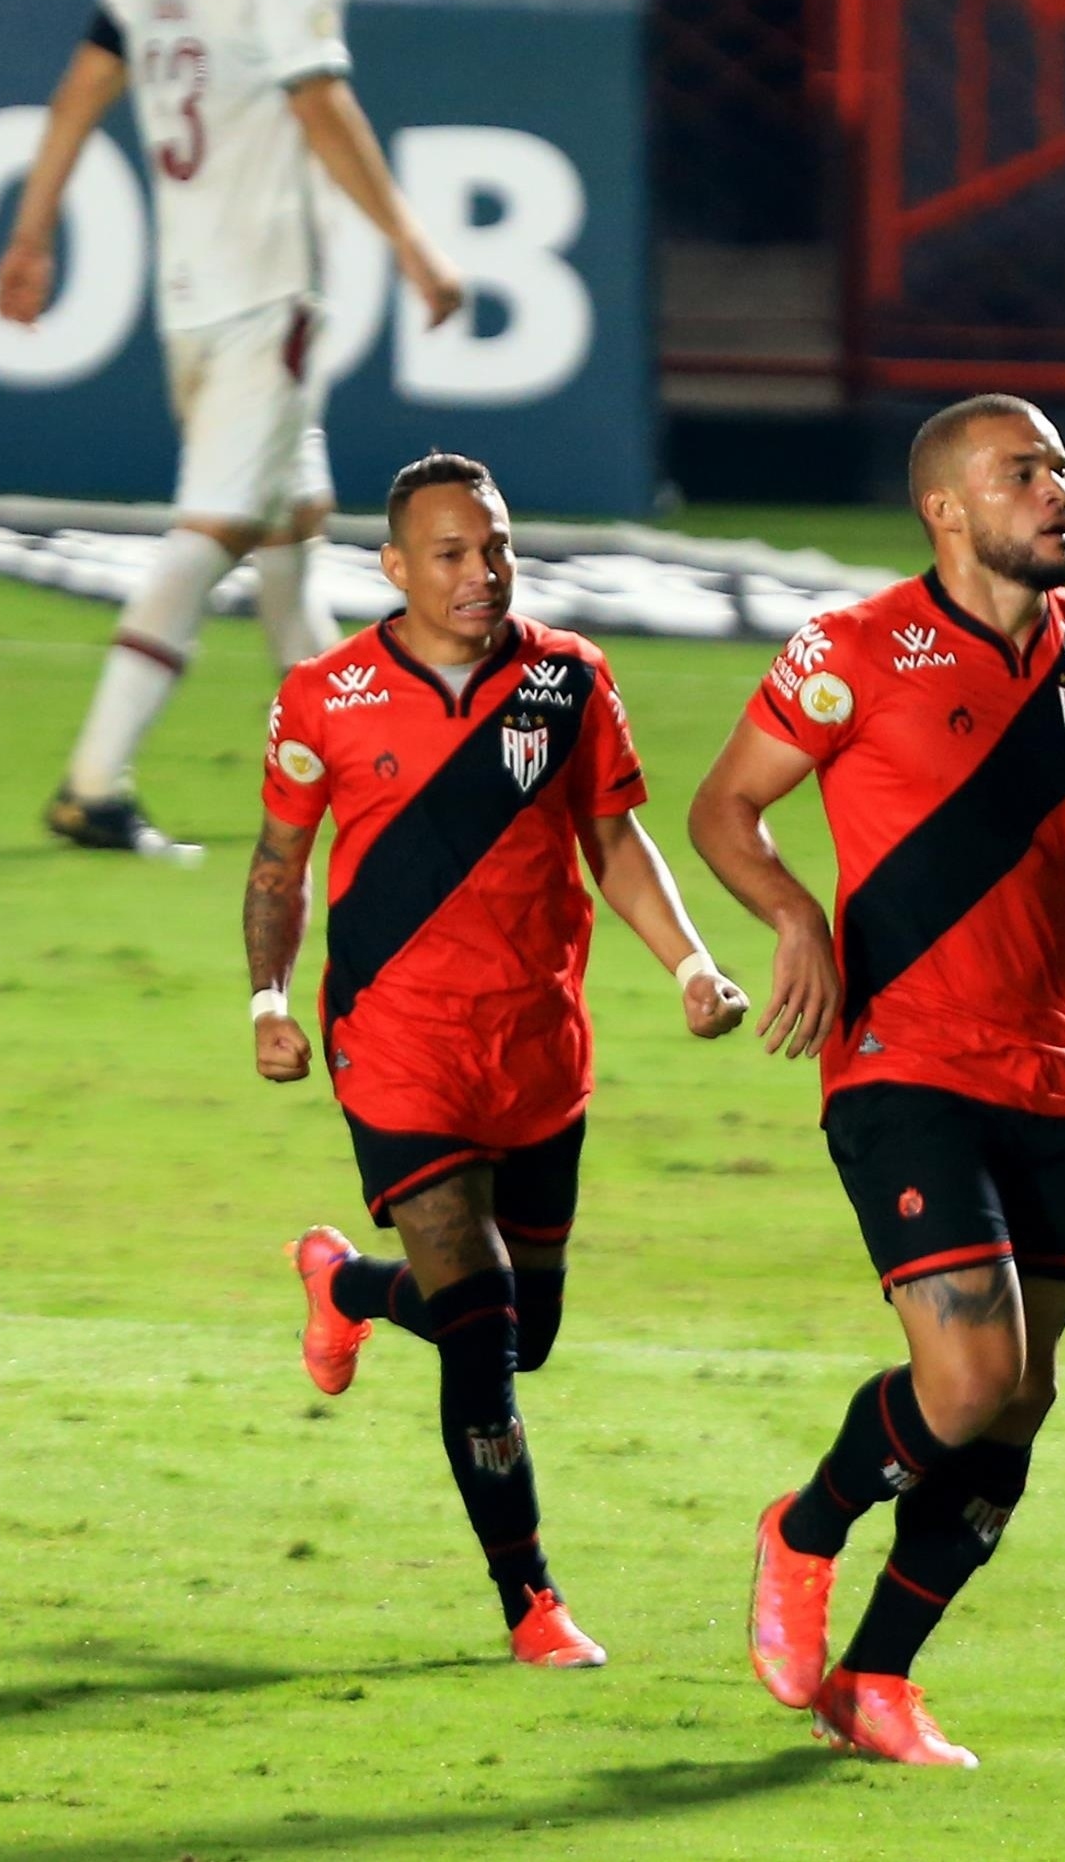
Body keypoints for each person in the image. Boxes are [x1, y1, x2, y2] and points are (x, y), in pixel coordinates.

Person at [688, 394, 1065, 1767]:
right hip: (900, 1056)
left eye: (1062, 468)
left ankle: (877, 1679)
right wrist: (793, 920)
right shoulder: (851, 651)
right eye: (1023, 473)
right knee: (964, 1379)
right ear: (945, 508)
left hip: (1048, 1069)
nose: (1057, 491)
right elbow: (725, 809)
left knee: (1021, 1397)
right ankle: (805, 1527)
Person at [246, 452, 749, 1666]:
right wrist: (268, 996)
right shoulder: (325, 698)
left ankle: (351, 1287)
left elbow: (614, 840)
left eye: (497, 548)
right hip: (398, 1045)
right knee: (481, 1333)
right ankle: (531, 1600)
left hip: (535, 1049)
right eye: (454, 554)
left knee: (526, 1328)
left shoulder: (569, 683)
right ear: (395, 567)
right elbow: (277, 865)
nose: (482, 574)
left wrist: (690, 964)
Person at [0, 0, 467, 861]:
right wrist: (413, 243)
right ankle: (91, 782)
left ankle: (371, 766)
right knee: (212, 533)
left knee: (294, 526)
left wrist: (31, 230)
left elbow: (81, 87)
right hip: (268, 284)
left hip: (190, 293)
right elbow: (318, 94)